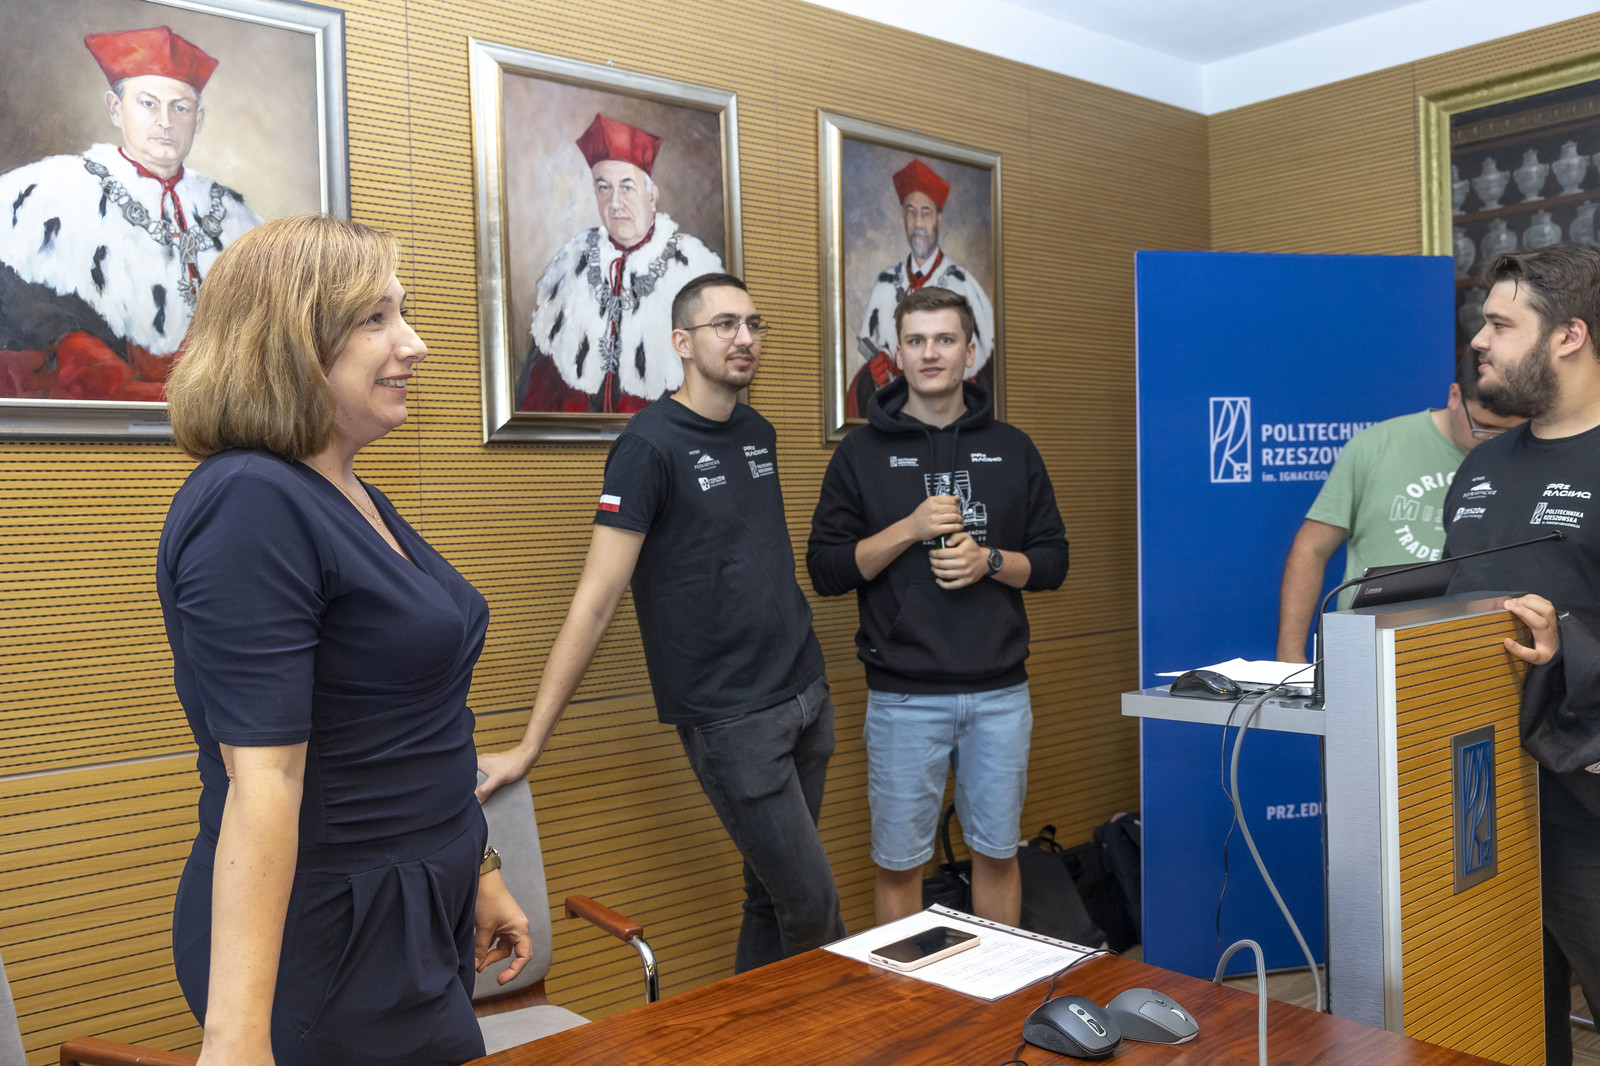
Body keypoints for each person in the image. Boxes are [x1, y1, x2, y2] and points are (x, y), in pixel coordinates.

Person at [157, 214, 529, 1066]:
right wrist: (238, 1040)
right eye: (376, 319)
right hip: (334, 933)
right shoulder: (250, 501)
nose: (414, 344)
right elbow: (265, 780)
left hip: (411, 907)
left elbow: (413, 723)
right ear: (290, 340)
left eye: (403, 313)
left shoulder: (340, 488)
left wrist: (478, 868)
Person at [480, 272, 845, 971]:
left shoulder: (758, 432)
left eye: (754, 324)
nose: (744, 338)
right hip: (734, 719)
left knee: (771, 898)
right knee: (813, 907)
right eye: (724, 325)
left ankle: (749, 1030)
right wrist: (530, 744)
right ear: (682, 342)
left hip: (805, 696)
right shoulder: (648, 446)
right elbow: (596, 599)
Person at [808, 286, 1069, 926]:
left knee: (997, 855)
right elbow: (826, 571)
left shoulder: (1013, 447)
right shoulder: (859, 454)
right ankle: (905, 993)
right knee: (900, 865)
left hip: (1000, 695)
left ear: (970, 352)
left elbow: (1054, 561)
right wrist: (908, 529)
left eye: (945, 339)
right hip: (903, 698)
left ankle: (997, 985)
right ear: (897, 355)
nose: (930, 353)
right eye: (917, 341)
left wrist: (991, 562)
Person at [1439, 243, 1600, 1066]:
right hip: (1477, 792)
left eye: (1502, 325)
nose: (1479, 340)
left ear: (1569, 334)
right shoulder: (1483, 466)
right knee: (1509, 1020)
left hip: (1586, 793)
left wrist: (1569, 643)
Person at [0, 25, 262, 402]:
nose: (165, 121)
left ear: (199, 119)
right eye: (148, 104)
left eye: (181, 107)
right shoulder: (47, 192)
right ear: (115, 108)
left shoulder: (237, 215)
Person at [1275, 353, 1524, 662]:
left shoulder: (1523, 455)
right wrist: (1289, 654)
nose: (1492, 440)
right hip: (1369, 648)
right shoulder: (1376, 445)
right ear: (1454, 396)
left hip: (1477, 648)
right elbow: (1311, 548)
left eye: (1509, 431)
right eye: (1482, 426)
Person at [516, 112, 725, 414]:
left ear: (651, 196)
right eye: (604, 187)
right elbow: (538, 386)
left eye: (627, 187)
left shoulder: (693, 265)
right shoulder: (571, 262)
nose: (614, 203)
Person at [848, 158, 996, 419]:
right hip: (895, 417)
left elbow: (986, 372)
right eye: (910, 212)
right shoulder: (884, 283)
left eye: (925, 213)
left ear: (939, 218)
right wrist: (874, 375)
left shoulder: (962, 283)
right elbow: (864, 369)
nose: (917, 223)